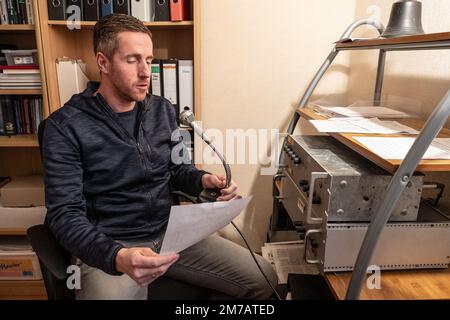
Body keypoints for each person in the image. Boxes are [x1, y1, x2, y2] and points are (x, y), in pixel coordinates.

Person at [43, 14, 277, 300]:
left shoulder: (163, 110)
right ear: (103, 63)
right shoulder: (64, 127)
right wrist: (116, 256)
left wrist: (203, 180)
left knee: (265, 279)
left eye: (149, 60)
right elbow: (64, 215)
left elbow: (179, 170)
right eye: (133, 60)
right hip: (112, 245)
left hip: (173, 236)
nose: (145, 72)